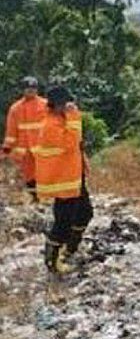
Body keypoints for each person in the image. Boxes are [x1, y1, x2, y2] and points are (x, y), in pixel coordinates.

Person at [31, 85, 92, 274]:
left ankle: (69, 250)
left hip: (74, 178)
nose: (69, 107)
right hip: (64, 183)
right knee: (63, 223)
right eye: (66, 104)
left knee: (85, 214)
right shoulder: (50, 124)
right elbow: (71, 142)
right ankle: (52, 262)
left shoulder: (60, 119)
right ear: (56, 105)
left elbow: (77, 146)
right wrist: (74, 118)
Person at [3, 76, 48, 203]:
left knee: (44, 173)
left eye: (33, 88)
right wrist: (7, 148)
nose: (31, 91)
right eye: (28, 88)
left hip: (42, 148)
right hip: (24, 150)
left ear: (37, 89)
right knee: (28, 175)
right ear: (23, 90)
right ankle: (35, 198)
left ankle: (44, 197)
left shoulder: (45, 105)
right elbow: (11, 131)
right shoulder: (15, 108)